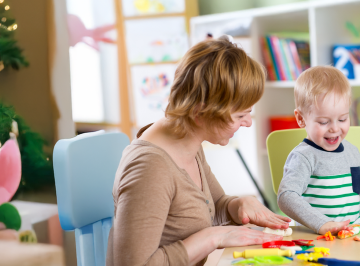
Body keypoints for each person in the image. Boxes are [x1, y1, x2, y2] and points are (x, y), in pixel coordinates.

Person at [107, 36, 291, 266]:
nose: (248, 123)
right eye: (240, 116)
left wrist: (237, 205)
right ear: (201, 111)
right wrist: (214, 237)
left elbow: (209, 207)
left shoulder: (187, 141)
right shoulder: (150, 169)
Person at [277, 66, 360, 235]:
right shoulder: (303, 156)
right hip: (318, 238)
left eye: (343, 119)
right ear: (301, 118)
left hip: (355, 233)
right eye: (323, 122)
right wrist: (323, 224)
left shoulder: (351, 152)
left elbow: (355, 191)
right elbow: (286, 196)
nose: (335, 128)